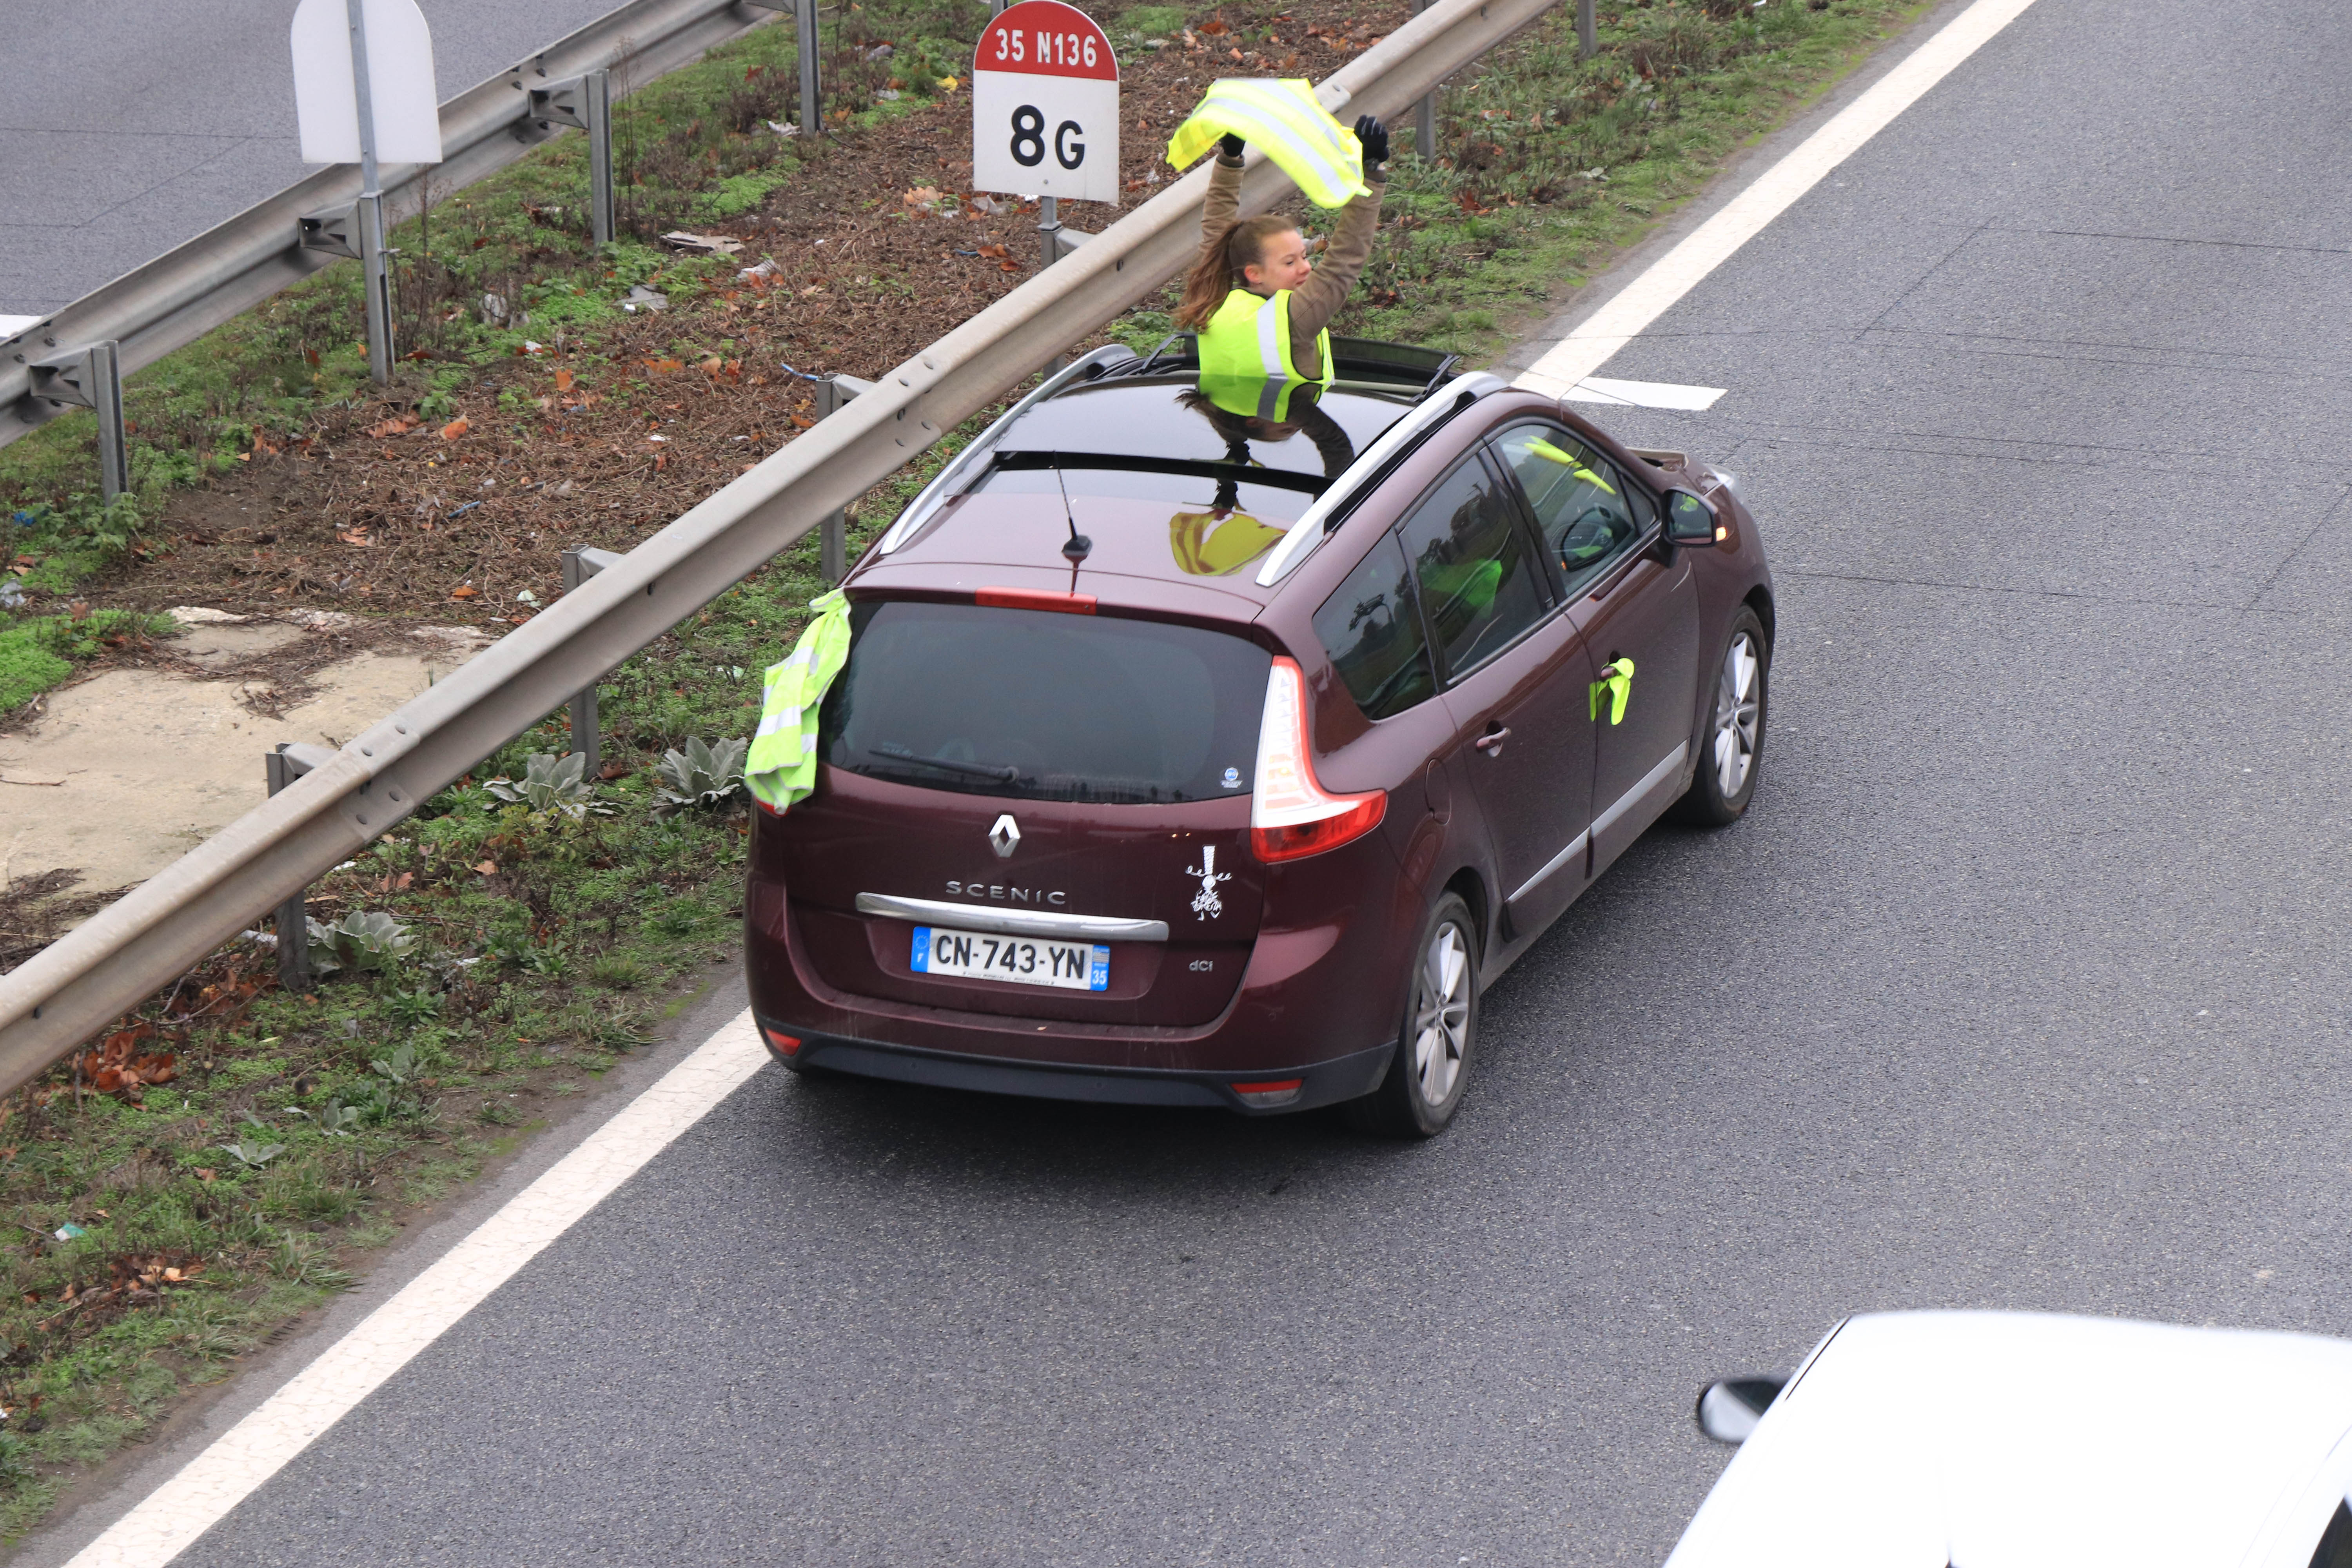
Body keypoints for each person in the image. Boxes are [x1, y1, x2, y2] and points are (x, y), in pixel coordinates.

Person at [1176, 115, 1390, 421]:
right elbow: (1345, 260)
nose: (1306, 269)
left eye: (1304, 256)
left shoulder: (1215, 302)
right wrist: (1371, 172)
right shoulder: (1295, 319)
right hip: (1286, 428)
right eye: (1290, 262)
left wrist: (1230, 157)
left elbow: (1216, 234)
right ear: (1254, 273)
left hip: (1237, 425)